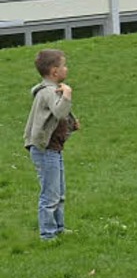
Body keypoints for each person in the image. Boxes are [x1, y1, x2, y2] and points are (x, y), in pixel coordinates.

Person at [23, 48, 79, 241]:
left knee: (59, 192)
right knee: (50, 194)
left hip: (53, 149)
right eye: (64, 65)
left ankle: (59, 228)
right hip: (44, 150)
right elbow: (59, 112)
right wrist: (68, 94)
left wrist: (73, 123)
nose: (67, 68)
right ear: (54, 71)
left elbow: (57, 117)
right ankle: (47, 235)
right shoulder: (48, 91)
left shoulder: (52, 90)